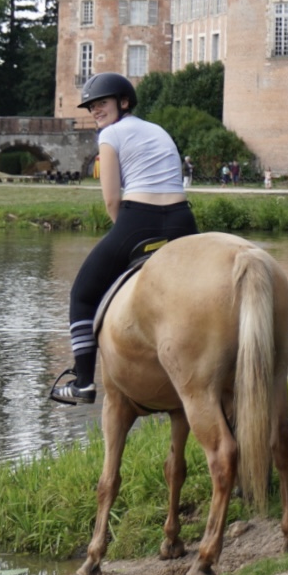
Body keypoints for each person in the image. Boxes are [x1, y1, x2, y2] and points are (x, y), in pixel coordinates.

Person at [49, 73, 196, 404]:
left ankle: (84, 381)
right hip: (182, 221)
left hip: (138, 219)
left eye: (101, 103)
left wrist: (124, 234)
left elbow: (112, 200)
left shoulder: (110, 135)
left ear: (123, 101)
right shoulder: (158, 130)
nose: (95, 111)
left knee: (82, 295)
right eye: (91, 107)